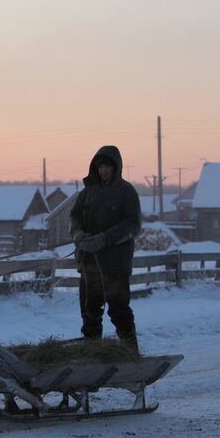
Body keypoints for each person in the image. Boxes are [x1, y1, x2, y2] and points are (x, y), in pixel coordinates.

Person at [69, 145, 141, 352]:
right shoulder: (88, 192)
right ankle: (93, 355)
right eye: (100, 167)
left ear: (116, 167)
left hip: (115, 266)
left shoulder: (126, 192)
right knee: (89, 313)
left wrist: (105, 238)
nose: (104, 171)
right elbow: (73, 216)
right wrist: (78, 234)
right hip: (89, 263)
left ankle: (130, 354)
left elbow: (132, 225)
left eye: (108, 167)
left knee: (119, 312)